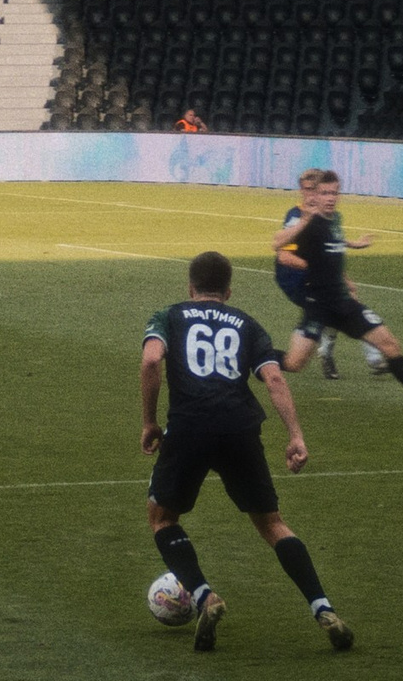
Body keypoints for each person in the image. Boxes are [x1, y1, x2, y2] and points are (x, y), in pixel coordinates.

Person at [140, 250, 350, 654]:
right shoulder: (247, 324)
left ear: (190, 286)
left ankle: (205, 596)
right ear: (228, 290)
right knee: (272, 523)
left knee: (162, 518)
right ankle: (322, 607)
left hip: (190, 426)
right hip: (240, 426)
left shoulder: (169, 315)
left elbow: (152, 360)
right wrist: (296, 436)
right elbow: (273, 377)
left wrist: (150, 422)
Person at [274, 168, 403, 412]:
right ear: (316, 194)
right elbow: (279, 247)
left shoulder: (335, 219)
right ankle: (254, 358)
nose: (330, 197)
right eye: (325, 192)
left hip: (344, 304)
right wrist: (307, 229)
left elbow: (334, 245)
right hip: (318, 306)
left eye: (334, 193)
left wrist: (353, 248)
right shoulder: (309, 223)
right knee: (294, 363)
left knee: (390, 344)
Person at [275, 173, 384, 381]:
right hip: (294, 279)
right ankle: (369, 356)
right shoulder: (297, 215)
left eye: (313, 190)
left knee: (344, 298)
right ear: (302, 191)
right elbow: (284, 256)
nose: (311, 195)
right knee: (338, 304)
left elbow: (329, 244)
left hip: (312, 277)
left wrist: (353, 244)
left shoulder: (325, 216)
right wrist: (317, 266)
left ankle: (331, 352)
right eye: (306, 189)